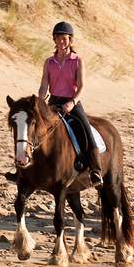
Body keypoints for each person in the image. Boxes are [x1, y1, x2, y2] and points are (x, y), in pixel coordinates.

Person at [38, 21, 102, 184]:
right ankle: (25, 170)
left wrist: (72, 102)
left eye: (64, 38)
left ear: (70, 40)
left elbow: (81, 86)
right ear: (54, 39)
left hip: (71, 102)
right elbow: (44, 85)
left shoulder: (77, 61)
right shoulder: (49, 62)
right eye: (58, 37)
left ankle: (95, 170)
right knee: (34, 129)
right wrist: (40, 101)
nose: (61, 41)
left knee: (86, 129)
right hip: (53, 102)